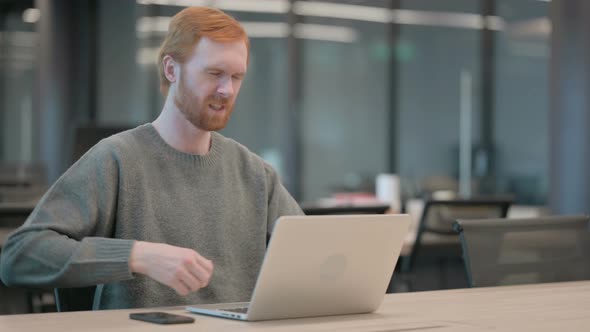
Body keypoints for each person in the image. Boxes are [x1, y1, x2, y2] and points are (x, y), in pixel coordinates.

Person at [0, 7, 302, 310]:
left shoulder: (255, 174)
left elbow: (313, 257)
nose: (227, 90)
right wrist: (137, 255)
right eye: (214, 73)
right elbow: (19, 256)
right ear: (171, 69)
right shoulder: (117, 159)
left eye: (237, 77)